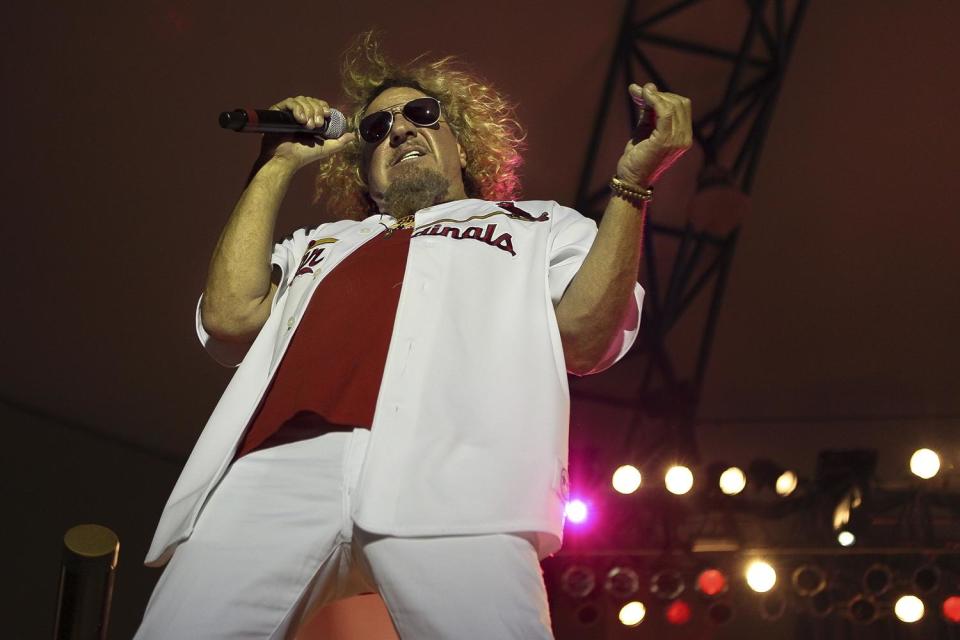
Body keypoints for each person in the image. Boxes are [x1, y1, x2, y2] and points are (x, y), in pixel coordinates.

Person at [134, 32, 691, 639]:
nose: (397, 130)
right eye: (374, 129)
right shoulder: (321, 244)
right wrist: (277, 165)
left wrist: (632, 185)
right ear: (363, 167)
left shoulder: (540, 225)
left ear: (461, 141)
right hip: (277, 467)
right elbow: (229, 317)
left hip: (459, 469)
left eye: (421, 115)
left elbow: (586, 340)